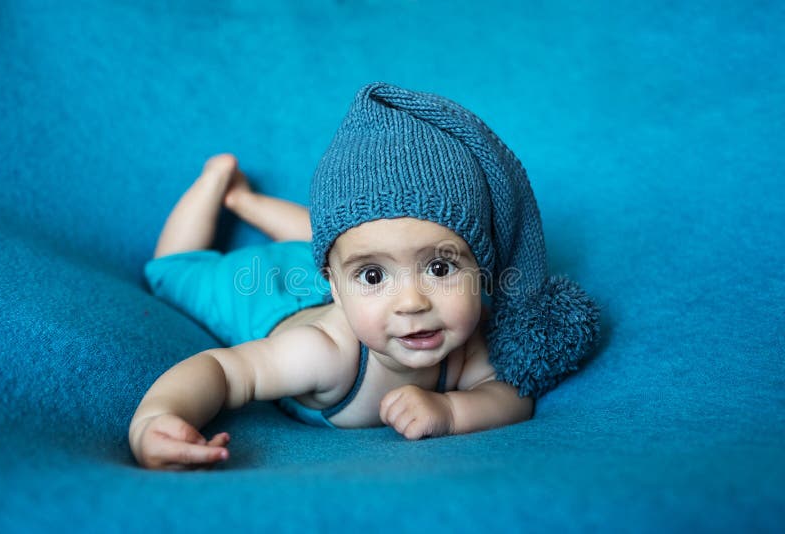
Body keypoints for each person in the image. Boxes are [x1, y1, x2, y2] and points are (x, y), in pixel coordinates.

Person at [129, 82, 599, 470]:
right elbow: (225, 371)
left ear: (480, 267)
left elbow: (512, 395)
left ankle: (250, 205)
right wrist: (158, 417)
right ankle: (218, 183)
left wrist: (452, 411)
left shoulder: (465, 340)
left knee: (343, 237)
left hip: (339, 279)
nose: (413, 302)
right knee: (175, 272)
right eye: (375, 274)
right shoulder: (323, 355)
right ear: (334, 283)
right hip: (265, 295)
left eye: (439, 267)